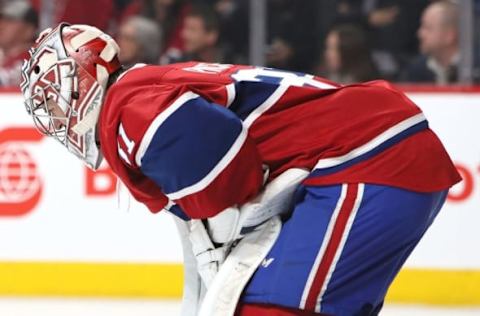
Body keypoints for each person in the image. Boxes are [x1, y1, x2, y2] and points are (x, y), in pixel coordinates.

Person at [20, 23, 460, 316]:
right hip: (371, 155)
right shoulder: (139, 98)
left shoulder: (132, 110)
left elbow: (235, 181)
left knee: (267, 309)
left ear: (88, 75)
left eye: (55, 93)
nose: (54, 112)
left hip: (365, 158)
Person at [401, 0, 460, 84]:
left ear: (449, 35)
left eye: (427, 28)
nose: (420, 34)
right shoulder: (416, 70)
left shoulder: (473, 70)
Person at [0, 0, 38, 86]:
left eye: (10, 20)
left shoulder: (35, 60)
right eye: (1, 19)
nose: (1, 25)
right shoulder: (5, 57)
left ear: (28, 30)